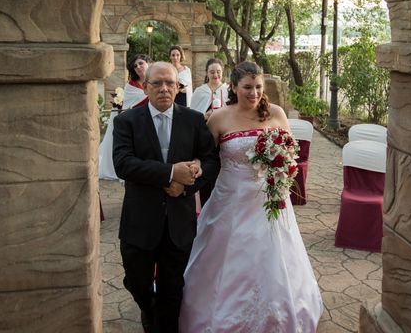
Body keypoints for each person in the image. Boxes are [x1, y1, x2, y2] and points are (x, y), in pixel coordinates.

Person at [179, 61, 323, 332]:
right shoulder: (219, 117)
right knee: (226, 257)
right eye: (247, 87)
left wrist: (281, 168)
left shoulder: (277, 113)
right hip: (230, 199)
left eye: (258, 87)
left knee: (275, 255)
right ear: (233, 87)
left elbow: (290, 153)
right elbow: (207, 158)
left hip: (270, 197)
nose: (254, 93)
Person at [112, 61, 220, 333]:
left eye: (170, 83)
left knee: (173, 289)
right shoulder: (127, 120)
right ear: (145, 86)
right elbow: (123, 164)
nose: (164, 89)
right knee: (137, 282)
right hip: (140, 222)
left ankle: (163, 324)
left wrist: (187, 184)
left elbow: (211, 161)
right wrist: (172, 172)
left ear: (178, 87)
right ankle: (148, 309)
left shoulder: (194, 120)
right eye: (157, 83)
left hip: (178, 223)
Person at [98, 54, 150, 180]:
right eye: (135, 66)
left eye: (141, 63)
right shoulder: (131, 86)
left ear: (149, 63)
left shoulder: (155, 79)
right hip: (136, 120)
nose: (138, 67)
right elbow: (130, 104)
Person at [190, 58, 228, 206]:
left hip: (224, 134)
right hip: (205, 136)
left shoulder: (228, 90)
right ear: (207, 73)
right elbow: (192, 114)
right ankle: (206, 203)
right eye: (212, 72)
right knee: (207, 166)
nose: (215, 75)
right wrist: (203, 116)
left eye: (218, 71)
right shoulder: (200, 91)